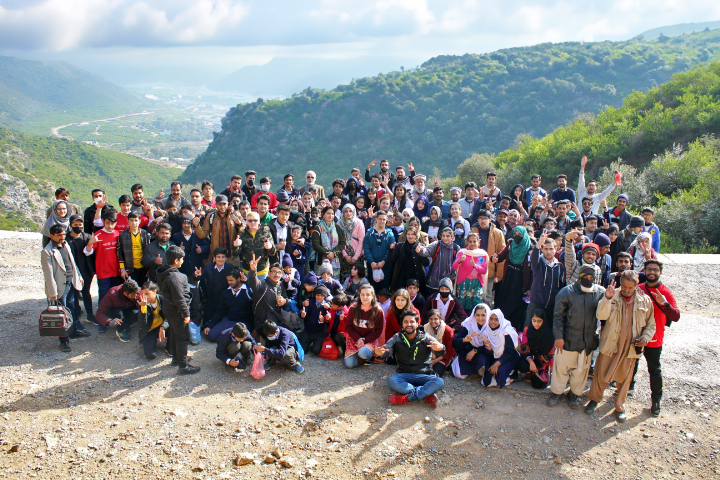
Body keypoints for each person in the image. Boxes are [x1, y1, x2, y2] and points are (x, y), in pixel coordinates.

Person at [585, 270, 656, 422]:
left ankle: (619, 406)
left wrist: (646, 338)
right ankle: (594, 399)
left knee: (625, 379)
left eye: (630, 288)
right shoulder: (612, 295)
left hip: (630, 346)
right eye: (624, 286)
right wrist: (607, 298)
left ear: (636, 286)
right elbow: (601, 316)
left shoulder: (645, 301)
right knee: (601, 374)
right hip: (611, 342)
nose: (626, 290)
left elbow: (651, 325)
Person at [547, 266, 605, 408]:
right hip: (567, 339)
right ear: (580, 276)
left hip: (587, 341)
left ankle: (574, 395)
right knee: (561, 369)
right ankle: (557, 393)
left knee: (581, 371)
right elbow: (558, 317)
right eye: (586, 277)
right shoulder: (567, 292)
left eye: (592, 278)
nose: (589, 280)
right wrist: (558, 337)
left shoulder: (599, 292)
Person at [634, 259, 680, 416]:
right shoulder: (638, 288)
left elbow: (676, 316)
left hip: (655, 337)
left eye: (655, 270)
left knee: (654, 369)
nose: (652, 272)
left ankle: (656, 400)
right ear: (645, 271)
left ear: (660, 272)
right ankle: (627, 390)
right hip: (636, 335)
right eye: (649, 270)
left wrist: (664, 303)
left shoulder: (665, 292)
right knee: (631, 364)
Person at [374, 310, 446, 407]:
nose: (409, 324)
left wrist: (441, 348)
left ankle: (405, 398)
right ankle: (425, 394)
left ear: (417, 324)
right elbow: (386, 351)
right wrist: (378, 353)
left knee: (439, 382)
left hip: (424, 374)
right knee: (393, 381)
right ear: (402, 324)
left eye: (412, 322)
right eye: (406, 322)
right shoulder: (397, 338)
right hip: (404, 375)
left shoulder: (425, 337)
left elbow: (441, 350)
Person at [41, 224, 88, 352]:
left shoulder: (66, 245)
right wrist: (52, 292)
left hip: (71, 283)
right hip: (60, 288)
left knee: (72, 310)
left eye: (63, 234)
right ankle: (64, 341)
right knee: (60, 315)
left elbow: (72, 263)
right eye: (59, 235)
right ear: (51, 236)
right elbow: (49, 275)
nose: (62, 237)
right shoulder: (47, 251)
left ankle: (72, 331)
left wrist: (78, 276)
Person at [157, 246, 200, 374]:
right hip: (177, 310)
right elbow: (179, 298)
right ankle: (184, 366)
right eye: (181, 259)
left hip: (168, 308)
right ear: (176, 260)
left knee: (175, 334)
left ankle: (177, 359)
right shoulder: (176, 277)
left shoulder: (163, 272)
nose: (182, 261)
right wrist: (186, 314)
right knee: (182, 336)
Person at [84, 211, 122, 324]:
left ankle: (115, 318)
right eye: (107, 223)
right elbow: (87, 252)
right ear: (103, 222)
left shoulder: (118, 234)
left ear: (116, 223)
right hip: (103, 272)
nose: (110, 226)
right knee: (104, 296)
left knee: (116, 295)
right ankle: (102, 320)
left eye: (112, 223)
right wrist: (90, 243)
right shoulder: (98, 235)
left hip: (116, 272)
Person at [492, 226, 532, 331]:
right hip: (509, 276)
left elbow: (532, 270)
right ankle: (501, 325)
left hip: (521, 279)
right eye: (515, 234)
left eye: (520, 234)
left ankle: (514, 328)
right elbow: (502, 255)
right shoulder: (511, 244)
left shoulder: (530, 248)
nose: (517, 236)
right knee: (504, 301)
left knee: (517, 304)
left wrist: (530, 287)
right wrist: (495, 258)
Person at [526, 230, 565, 329]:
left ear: (556, 249)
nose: (548, 252)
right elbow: (534, 258)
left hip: (551, 306)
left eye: (551, 249)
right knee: (530, 330)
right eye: (546, 249)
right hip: (536, 304)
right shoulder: (539, 263)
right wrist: (539, 244)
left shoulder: (559, 266)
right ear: (542, 249)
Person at [204, 268, 254, 341]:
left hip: (244, 322)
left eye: (231, 280)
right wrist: (210, 326)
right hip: (229, 320)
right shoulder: (226, 292)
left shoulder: (249, 291)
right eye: (228, 280)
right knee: (212, 335)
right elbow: (220, 311)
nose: (229, 282)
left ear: (239, 279)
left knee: (238, 335)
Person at [344, 284, 385, 368]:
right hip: (354, 339)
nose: (365, 297)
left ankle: (367, 357)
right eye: (362, 294)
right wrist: (358, 339)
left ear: (373, 296)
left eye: (368, 294)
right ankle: (358, 356)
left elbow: (378, 331)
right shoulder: (353, 308)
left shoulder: (378, 311)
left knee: (364, 353)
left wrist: (365, 340)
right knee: (350, 365)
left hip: (370, 340)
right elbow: (349, 327)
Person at [66, 214, 97, 326]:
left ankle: (90, 314)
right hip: (72, 271)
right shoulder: (66, 240)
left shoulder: (87, 237)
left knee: (86, 293)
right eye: (76, 225)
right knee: (73, 295)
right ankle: (75, 315)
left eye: (80, 224)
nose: (79, 227)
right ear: (71, 225)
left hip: (86, 270)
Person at [477, 309, 520, 388]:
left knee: (500, 373)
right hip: (495, 357)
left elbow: (509, 352)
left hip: (508, 357)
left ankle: (511, 372)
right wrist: (488, 347)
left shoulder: (506, 331)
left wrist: (496, 364)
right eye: (491, 319)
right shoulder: (486, 330)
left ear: (500, 320)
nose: (493, 322)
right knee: (486, 383)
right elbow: (489, 354)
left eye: (496, 319)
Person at [195, 195, 241, 263]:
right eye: (220, 204)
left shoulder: (235, 215)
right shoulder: (211, 216)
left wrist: (239, 224)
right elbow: (202, 235)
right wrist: (197, 226)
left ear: (228, 204)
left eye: (224, 204)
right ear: (216, 205)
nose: (222, 207)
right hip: (217, 256)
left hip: (232, 255)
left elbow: (244, 230)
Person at [517, 309, 555, 389]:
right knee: (522, 365)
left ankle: (537, 372)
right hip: (531, 358)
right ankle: (530, 371)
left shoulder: (549, 333)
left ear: (543, 321)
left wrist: (537, 363)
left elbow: (550, 354)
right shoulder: (527, 330)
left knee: (539, 384)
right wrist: (531, 362)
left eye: (539, 321)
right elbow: (524, 348)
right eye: (534, 321)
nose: (536, 324)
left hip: (543, 361)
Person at [96, 279, 142, 343]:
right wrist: (109, 322)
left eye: (136, 294)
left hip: (129, 308)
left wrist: (143, 305)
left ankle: (126, 325)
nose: (135, 296)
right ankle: (120, 330)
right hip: (116, 311)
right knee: (118, 312)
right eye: (133, 295)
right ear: (125, 293)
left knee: (136, 313)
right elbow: (99, 313)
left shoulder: (138, 291)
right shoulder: (112, 294)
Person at [416, 228, 460, 295]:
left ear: (452, 236)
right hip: (434, 280)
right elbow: (427, 250)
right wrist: (420, 250)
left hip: (448, 281)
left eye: (448, 236)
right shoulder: (436, 244)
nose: (445, 238)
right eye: (443, 236)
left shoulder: (456, 248)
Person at [451, 303, 490, 379]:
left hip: (484, 353)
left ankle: (481, 368)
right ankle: (476, 369)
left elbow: (493, 347)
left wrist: (475, 350)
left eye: (483, 315)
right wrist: (464, 340)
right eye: (477, 315)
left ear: (487, 315)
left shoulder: (490, 327)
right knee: (459, 374)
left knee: (481, 360)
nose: (480, 318)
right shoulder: (469, 325)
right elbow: (455, 341)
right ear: (474, 315)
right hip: (468, 352)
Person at [235, 211, 277, 279]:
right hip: (247, 271)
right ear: (246, 221)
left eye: (255, 220)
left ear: (259, 221)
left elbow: (272, 253)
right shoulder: (242, 232)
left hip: (262, 271)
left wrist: (270, 247)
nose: (253, 223)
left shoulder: (265, 232)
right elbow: (237, 253)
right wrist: (236, 246)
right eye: (250, 220)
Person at [452, 232, 488, 311]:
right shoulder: (463, 252)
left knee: (477, 305)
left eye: (474, 241)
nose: (472, 243)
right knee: (463, 306)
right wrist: (460, 260)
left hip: (477, 283)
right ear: (467, 242)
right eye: (470, 241)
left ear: (478, 242)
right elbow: (454, 267)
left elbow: (484, 270)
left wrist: (475, 266)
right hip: (464, 283)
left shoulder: (482, 254)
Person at [389, 226, 429, 293]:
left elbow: (426, 263)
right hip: (402, 278)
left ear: (416, 235)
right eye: (408, 234)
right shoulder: (400, 246)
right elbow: (391, 260)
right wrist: (391, 250)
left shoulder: (421, 246)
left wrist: (421, 253)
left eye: (413, 234)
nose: (410, 236)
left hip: (417, 277)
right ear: (406, 235)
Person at [363, 210, 395, 290]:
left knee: (384, 290)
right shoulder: (369, 233)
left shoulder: (390, 234)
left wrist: (384, 261)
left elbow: (390, 249)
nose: (382, 221)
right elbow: (366, 249)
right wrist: (372, 262)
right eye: (380, 219)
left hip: (385, 266)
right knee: (373, 290)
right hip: (372, 266)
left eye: (384, 219)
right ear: (376, 219)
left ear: (386, 220)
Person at [312, 206, 346, 279]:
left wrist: (334, 253)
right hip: (322, 259)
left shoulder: (337, 227)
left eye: (332, 213)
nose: (330, 216)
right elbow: (315, 244)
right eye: (328, 213)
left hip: (335, 259)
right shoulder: (318, 227)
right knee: (322, 282)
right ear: (323, 214)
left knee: (334, 283)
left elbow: (342, 242)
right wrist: (327, 253)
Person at [117, 212, 151, 285]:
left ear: (139, 221)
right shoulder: (123, 235)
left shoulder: (145, 234)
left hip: (143, 267)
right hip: (130, 268)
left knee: (143, 289)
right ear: (128, 221)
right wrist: (122, 269)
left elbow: (149, 251)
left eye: (136, 220)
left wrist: (149, 268)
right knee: (132, 290)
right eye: (131, 220)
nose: (134, 223)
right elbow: (120, 253)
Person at [137, 281, 167, 360]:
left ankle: (169, 347)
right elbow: (142, 324)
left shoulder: (163, 299)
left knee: (175, 327)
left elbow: (170, 316)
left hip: (162, 326)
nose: (145, 297)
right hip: (150, 329)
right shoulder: (142, 303)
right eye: (144, 294)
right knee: (151, 355)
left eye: (147, 294)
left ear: (154, 291)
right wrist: (143, 309)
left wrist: (163, 327)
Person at [299, 285, 332, 355]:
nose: (319, 297)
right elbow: (303, 312)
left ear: (325, 296)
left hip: (320, 331)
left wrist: (325, 319)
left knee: (316, 351)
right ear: (314, 295)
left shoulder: (326, 306)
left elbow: (329, 320)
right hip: (308, 330)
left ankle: (316, 343)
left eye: (322, 295)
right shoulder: (310, 302)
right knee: (302, 350)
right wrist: (302, 314)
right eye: (317, 295)